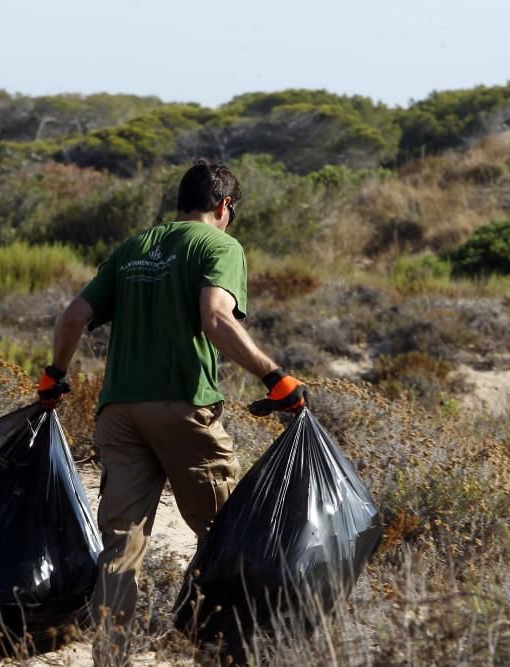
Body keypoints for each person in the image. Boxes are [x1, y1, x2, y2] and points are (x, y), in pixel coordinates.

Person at [37, 159, 307, 665]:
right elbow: (215, 318)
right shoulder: (219, 246)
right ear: (224, 206)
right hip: (183, 409)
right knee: (227, 534)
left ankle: (110, 658)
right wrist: (275, 377)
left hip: (119, 413)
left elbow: (74, 315)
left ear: (180, 203)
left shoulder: (134, 248)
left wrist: (55, 375)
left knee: (120, 551)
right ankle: (225, 651)